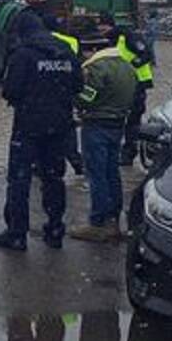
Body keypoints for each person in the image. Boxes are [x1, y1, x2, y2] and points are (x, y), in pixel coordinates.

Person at [0, 13, 83, 251]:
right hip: (59, 126)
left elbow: (10, 91)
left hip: (28, 127)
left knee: (19, 181)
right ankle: (54, 229)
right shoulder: (65, 51)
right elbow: (79, 85)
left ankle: (17, 233)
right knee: (53, 178)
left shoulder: (23, 54)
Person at [70, 41, 137, 242]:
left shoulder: (97, 67)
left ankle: (98, 222)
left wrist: (74, 97)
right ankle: (113, 220)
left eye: (85, 52)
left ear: (94, 50)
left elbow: (87, 97)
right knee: (111, 172)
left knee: (96, 174)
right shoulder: (127, 66)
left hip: (96, 123)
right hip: (117, 124)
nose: (84, 57)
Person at [95, 13, 153, 166]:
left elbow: (146, 54)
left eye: (103, 27)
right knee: (118, 119)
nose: (101, 30)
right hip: (120, 87)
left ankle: (129, 153)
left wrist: (130, 68)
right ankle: (119, 151)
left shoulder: (128, 37)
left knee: (132, 121)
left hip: (137, 84)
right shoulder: (107, 41)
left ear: (110, 26)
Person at [42, 14, 84, 176]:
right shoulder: (71, 41)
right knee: (68, 127)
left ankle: (43, 164)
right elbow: (79, 66)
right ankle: (75, 161)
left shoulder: (35, 43)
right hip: (66, 91)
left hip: (44, 93)